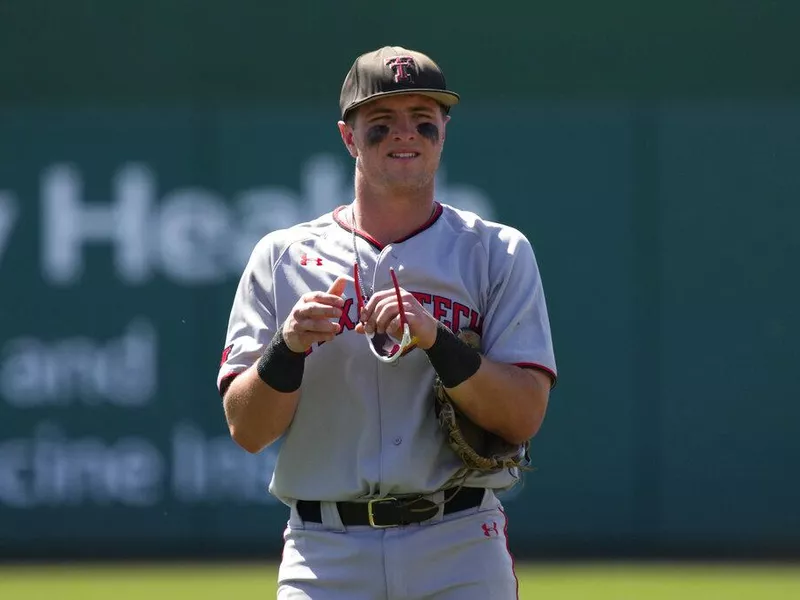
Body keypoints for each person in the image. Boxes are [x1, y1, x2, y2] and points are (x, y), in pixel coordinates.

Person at [217, 45, 557, 600]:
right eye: (382, 121)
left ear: (444, 131)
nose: (407, 134)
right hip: (326, 547)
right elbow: (248, 430)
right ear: (349, 137)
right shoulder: (282, 257)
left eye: (424, 119)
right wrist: (288, 348)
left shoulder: (496, 252)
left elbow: (523, 416)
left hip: (459, 539)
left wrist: (437, 341)